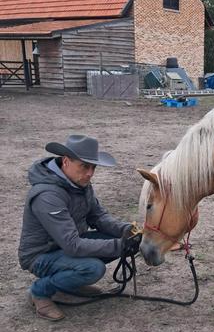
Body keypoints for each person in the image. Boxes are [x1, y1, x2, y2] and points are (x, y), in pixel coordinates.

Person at [18, 134, 140, 322]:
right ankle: (39, 292)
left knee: (121, 242)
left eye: (93, 167)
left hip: (65, 246)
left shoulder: (80, 183)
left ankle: (69, 283)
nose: (90, 173)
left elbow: (98, 217)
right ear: (66, 162)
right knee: (93, 269)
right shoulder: (47, 195)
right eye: (84, 166)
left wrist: (130, 232)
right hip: (41, 255)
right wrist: (120, 245)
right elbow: (72, 245)